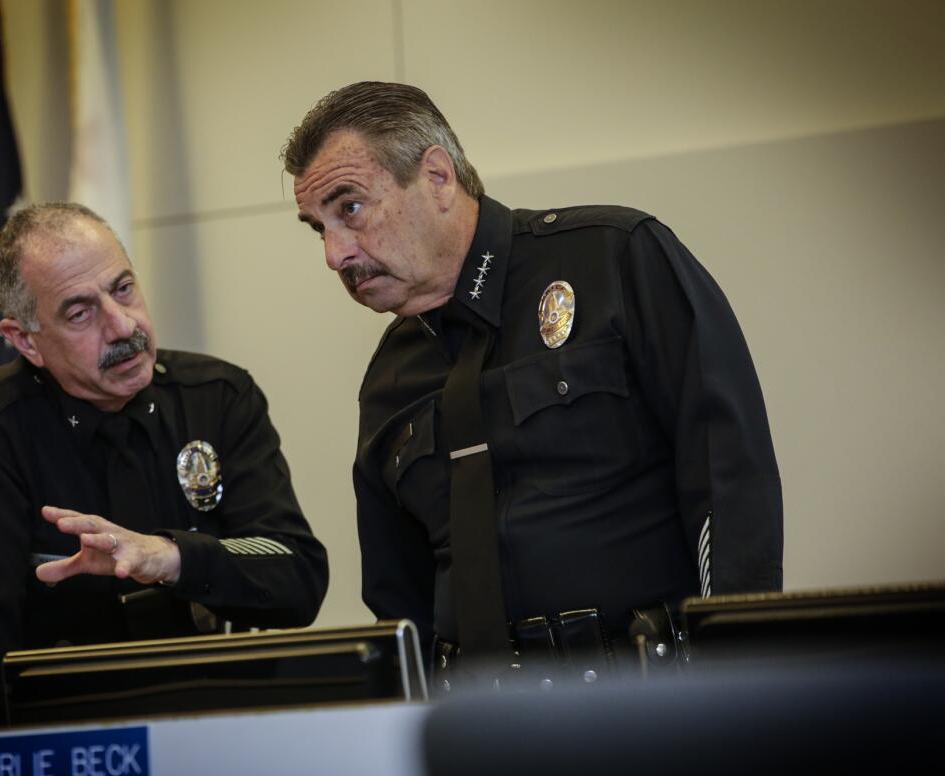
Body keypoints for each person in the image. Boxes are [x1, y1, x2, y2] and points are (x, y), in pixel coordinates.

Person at [282, 81, 781, 684]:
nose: (335, 255)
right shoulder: (389, 378)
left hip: (648, 701)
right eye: (319, 228)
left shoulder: (613, 260)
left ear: (437, 177)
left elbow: (728, 483)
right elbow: (400, 597)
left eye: (350, 208)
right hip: (481, 724)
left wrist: (735, 672)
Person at [0, 202, 328, 729]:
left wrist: (170, 557)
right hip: (70, 741)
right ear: (26, 340)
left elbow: (297, 578)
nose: (122, 326)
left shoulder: (217, 397)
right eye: (79, 312)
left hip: (218, 721)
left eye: (123, 289)